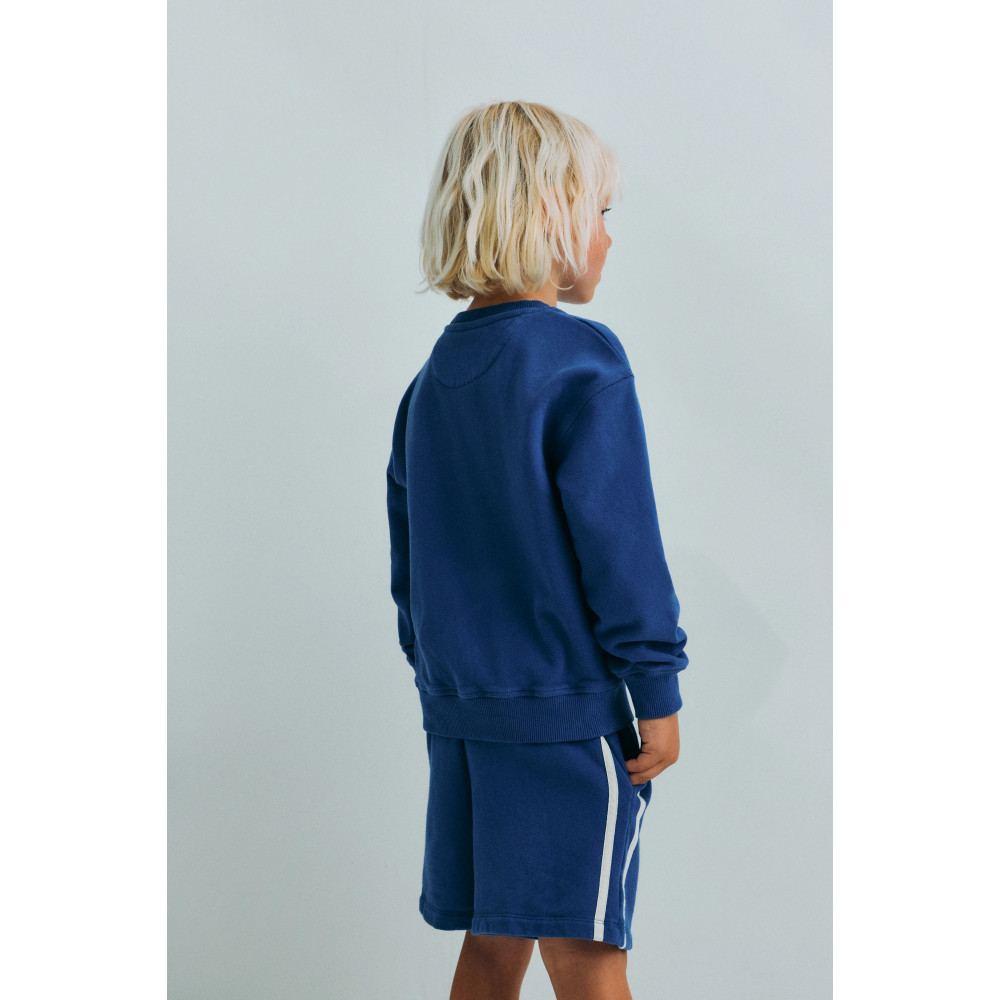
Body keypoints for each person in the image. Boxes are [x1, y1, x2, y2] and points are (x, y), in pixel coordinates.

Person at [386, 101, 689, 1000]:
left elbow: (409, 566)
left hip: (464, 720)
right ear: (551, 215)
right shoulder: (581, 362)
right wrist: (656, 687)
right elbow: (621, 546)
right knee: (587, 954)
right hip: (565, 722)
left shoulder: (431, 382)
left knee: (492, 944)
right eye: (601, 214)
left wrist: (446, 682)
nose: (607, 238)